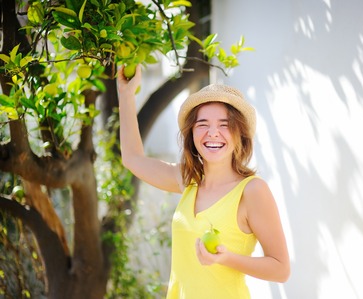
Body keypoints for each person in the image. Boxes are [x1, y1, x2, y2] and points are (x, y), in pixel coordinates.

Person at [117, 64, 290, 299]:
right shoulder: (188, 181)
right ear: (192, 135)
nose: (213, 133)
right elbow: (132, 158)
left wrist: (227, 258)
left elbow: (281, 269)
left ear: (240, 134)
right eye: (202, 124)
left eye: (224, 125)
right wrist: (126, 94)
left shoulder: (252, 191)